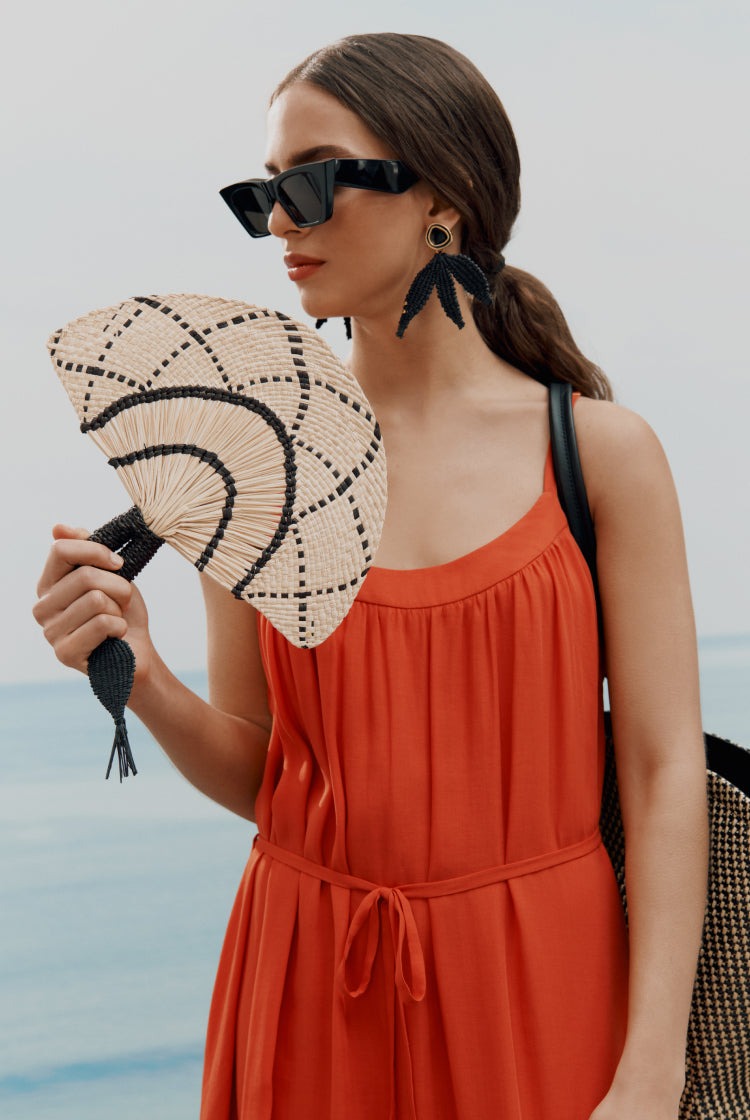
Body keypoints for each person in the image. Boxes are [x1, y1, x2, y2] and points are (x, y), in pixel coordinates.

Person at [33, 32, 708, 1120]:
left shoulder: (599, 454)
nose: (282, 224)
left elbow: (663, 767)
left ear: (441, 193)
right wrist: (145, 676)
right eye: (262, 194)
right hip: (302, 985)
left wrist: (652, 1070)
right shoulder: (256, 460)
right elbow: (268, 776)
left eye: (308, 182)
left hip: (539, 980)